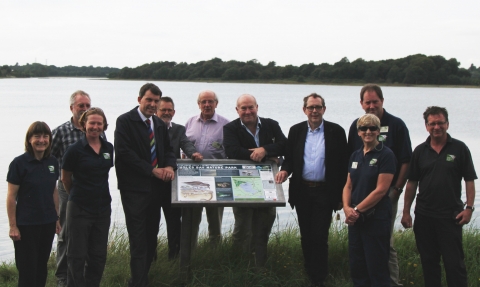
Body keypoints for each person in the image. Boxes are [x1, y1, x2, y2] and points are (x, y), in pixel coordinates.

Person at [275, 93, 348, 286]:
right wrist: (284, 170)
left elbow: (343, 165)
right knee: (306, 235)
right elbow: (290, 158)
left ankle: (320, 278)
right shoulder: (296, 131)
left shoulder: (336, 131)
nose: (314, 111)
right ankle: (308, 273)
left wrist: (342, 196)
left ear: (324, 109)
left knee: (320, 235)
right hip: (302, 191)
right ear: (304, 110)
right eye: (310, 107)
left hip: (325, 192)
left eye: (318, 107)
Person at [401, 106, 477, 287]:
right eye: (432, 123)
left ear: (447, 124)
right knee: (429, 263)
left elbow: (469, 180)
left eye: (440, 123)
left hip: (451, 216)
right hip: (424, 215)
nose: (437, 127)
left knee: (454, 264)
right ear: (426, 126)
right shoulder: (419, 151)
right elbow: (411, 183)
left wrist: (469, 208)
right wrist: (405, 212)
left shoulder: (460, 148)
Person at [347, 84, 411, 287]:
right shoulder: (355, 130)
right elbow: (350, 171)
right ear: (361, 103)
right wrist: (348, 206)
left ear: (382, 101)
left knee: (384, 245)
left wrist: (396, 190)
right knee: (359, 252)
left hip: (385, 197)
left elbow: (406, 160)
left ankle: (392, 282)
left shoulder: (397, 126)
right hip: (358, 202)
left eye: (375, 101)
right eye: (368, 102)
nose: (372, 105)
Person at [115, 83, 176, 287]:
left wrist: (169, 165)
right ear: (139, 99)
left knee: (151, 235)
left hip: (156, 189)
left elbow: (168, 149)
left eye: (156, 101)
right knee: (138, 238)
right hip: (133, 190)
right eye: (149, 100)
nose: (152, 104)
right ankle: (137, 282)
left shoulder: (158, 123)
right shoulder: (124, 121)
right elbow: (124, 153)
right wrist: (151, 170)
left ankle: (144, 277)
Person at [223, 94, 287, 267]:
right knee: (242, 229)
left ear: (257, 107)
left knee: (263, 228)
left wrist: (265, 149)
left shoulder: (271, 124)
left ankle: (259, 267)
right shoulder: (230, 128)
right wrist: (262, 155)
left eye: (251, 107)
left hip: (268, 186)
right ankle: (238, 267)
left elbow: (285, 144)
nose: (248, 111)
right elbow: (232, 151)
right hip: (242, 185)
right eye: (243, 108)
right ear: (237, 110)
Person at [61, 108, 114, 286]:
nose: (95, 127)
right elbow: (65, 179)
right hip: (79, 208)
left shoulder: (108, 148)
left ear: (104, 126)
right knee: (76, 255)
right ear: (84, 125)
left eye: (99, 123)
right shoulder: (74, 150)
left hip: (102, 209)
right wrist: (76, 198)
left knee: (98, 256)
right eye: (92, 123)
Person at [343, 113, 396, 286]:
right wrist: (346, 208)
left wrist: (357, 210)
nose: (368, 131)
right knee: (357, 266)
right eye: (364, 128)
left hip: (376, 218)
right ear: (358, 132)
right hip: (355, 220)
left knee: (377, 267)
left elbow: (381, 190)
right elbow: (348, 186)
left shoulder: (386, 155)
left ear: (378, 131)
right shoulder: (355, 155)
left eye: (372, 128)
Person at [6, 121, 61, 287]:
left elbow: (54, 191)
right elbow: (11, 196)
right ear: (29, 139)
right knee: (27, 269)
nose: (41, 140)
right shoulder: (19, 163)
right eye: (37, 136)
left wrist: (56, 218)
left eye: (45, 136)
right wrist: (13, 226)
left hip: (47, 222)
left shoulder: (53, 162)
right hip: (26, 225)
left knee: (41, 268)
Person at [51, 90, 96, 287]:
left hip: (90, 190)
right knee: (66, 232)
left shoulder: (94, 130)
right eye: (81, 106)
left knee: (86, 232)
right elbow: (49, 161)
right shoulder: (61, 132)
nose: (85, 109)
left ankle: (81, 273)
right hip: (67, 188)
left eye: (87, 106)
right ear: (72, 108)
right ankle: (62, 276)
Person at [156, 96, 203, 259]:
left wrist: (193, 153)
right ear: (156, 111)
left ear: (174, 112)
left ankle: (174, 256)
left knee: (175, 222)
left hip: (172, 184)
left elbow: (186, 143)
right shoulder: (149, 128)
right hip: (152, 183)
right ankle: (151, 257)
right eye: (163, 110)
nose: (166, 113)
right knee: (151, 223)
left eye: (169, 110)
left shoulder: (178, 129)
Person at [184, 90, 229, 246]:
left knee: (215, 220)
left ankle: (214, 253)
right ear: (198, 104)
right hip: (192, 179)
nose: (207, 105)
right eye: (203, 102)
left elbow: (230, 151)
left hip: (216, 178)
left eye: (210, 101)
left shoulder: (226, 124)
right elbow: (183, 146)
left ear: (216, 103)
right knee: (191, 220)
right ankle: (190, 252)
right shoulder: (190, 122)